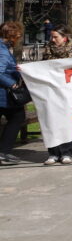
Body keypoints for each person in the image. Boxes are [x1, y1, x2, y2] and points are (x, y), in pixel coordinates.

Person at [42, 26, 72, 165]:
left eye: (56, 37)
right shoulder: (48, 49)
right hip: (52, 91)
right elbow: (41, 67)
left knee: (67, 122)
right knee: (52, 121)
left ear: (64, 38)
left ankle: (66, 152)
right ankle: (53, 153)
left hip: (68, 91)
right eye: (52, 37)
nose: (52, 39)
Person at [0, 22, 27, 166]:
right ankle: (3, 152)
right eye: (18, 35)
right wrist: (12, 83)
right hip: (4, 94)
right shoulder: (3, 51)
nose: (19, 38)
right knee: (17, 116)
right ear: (11, 35)